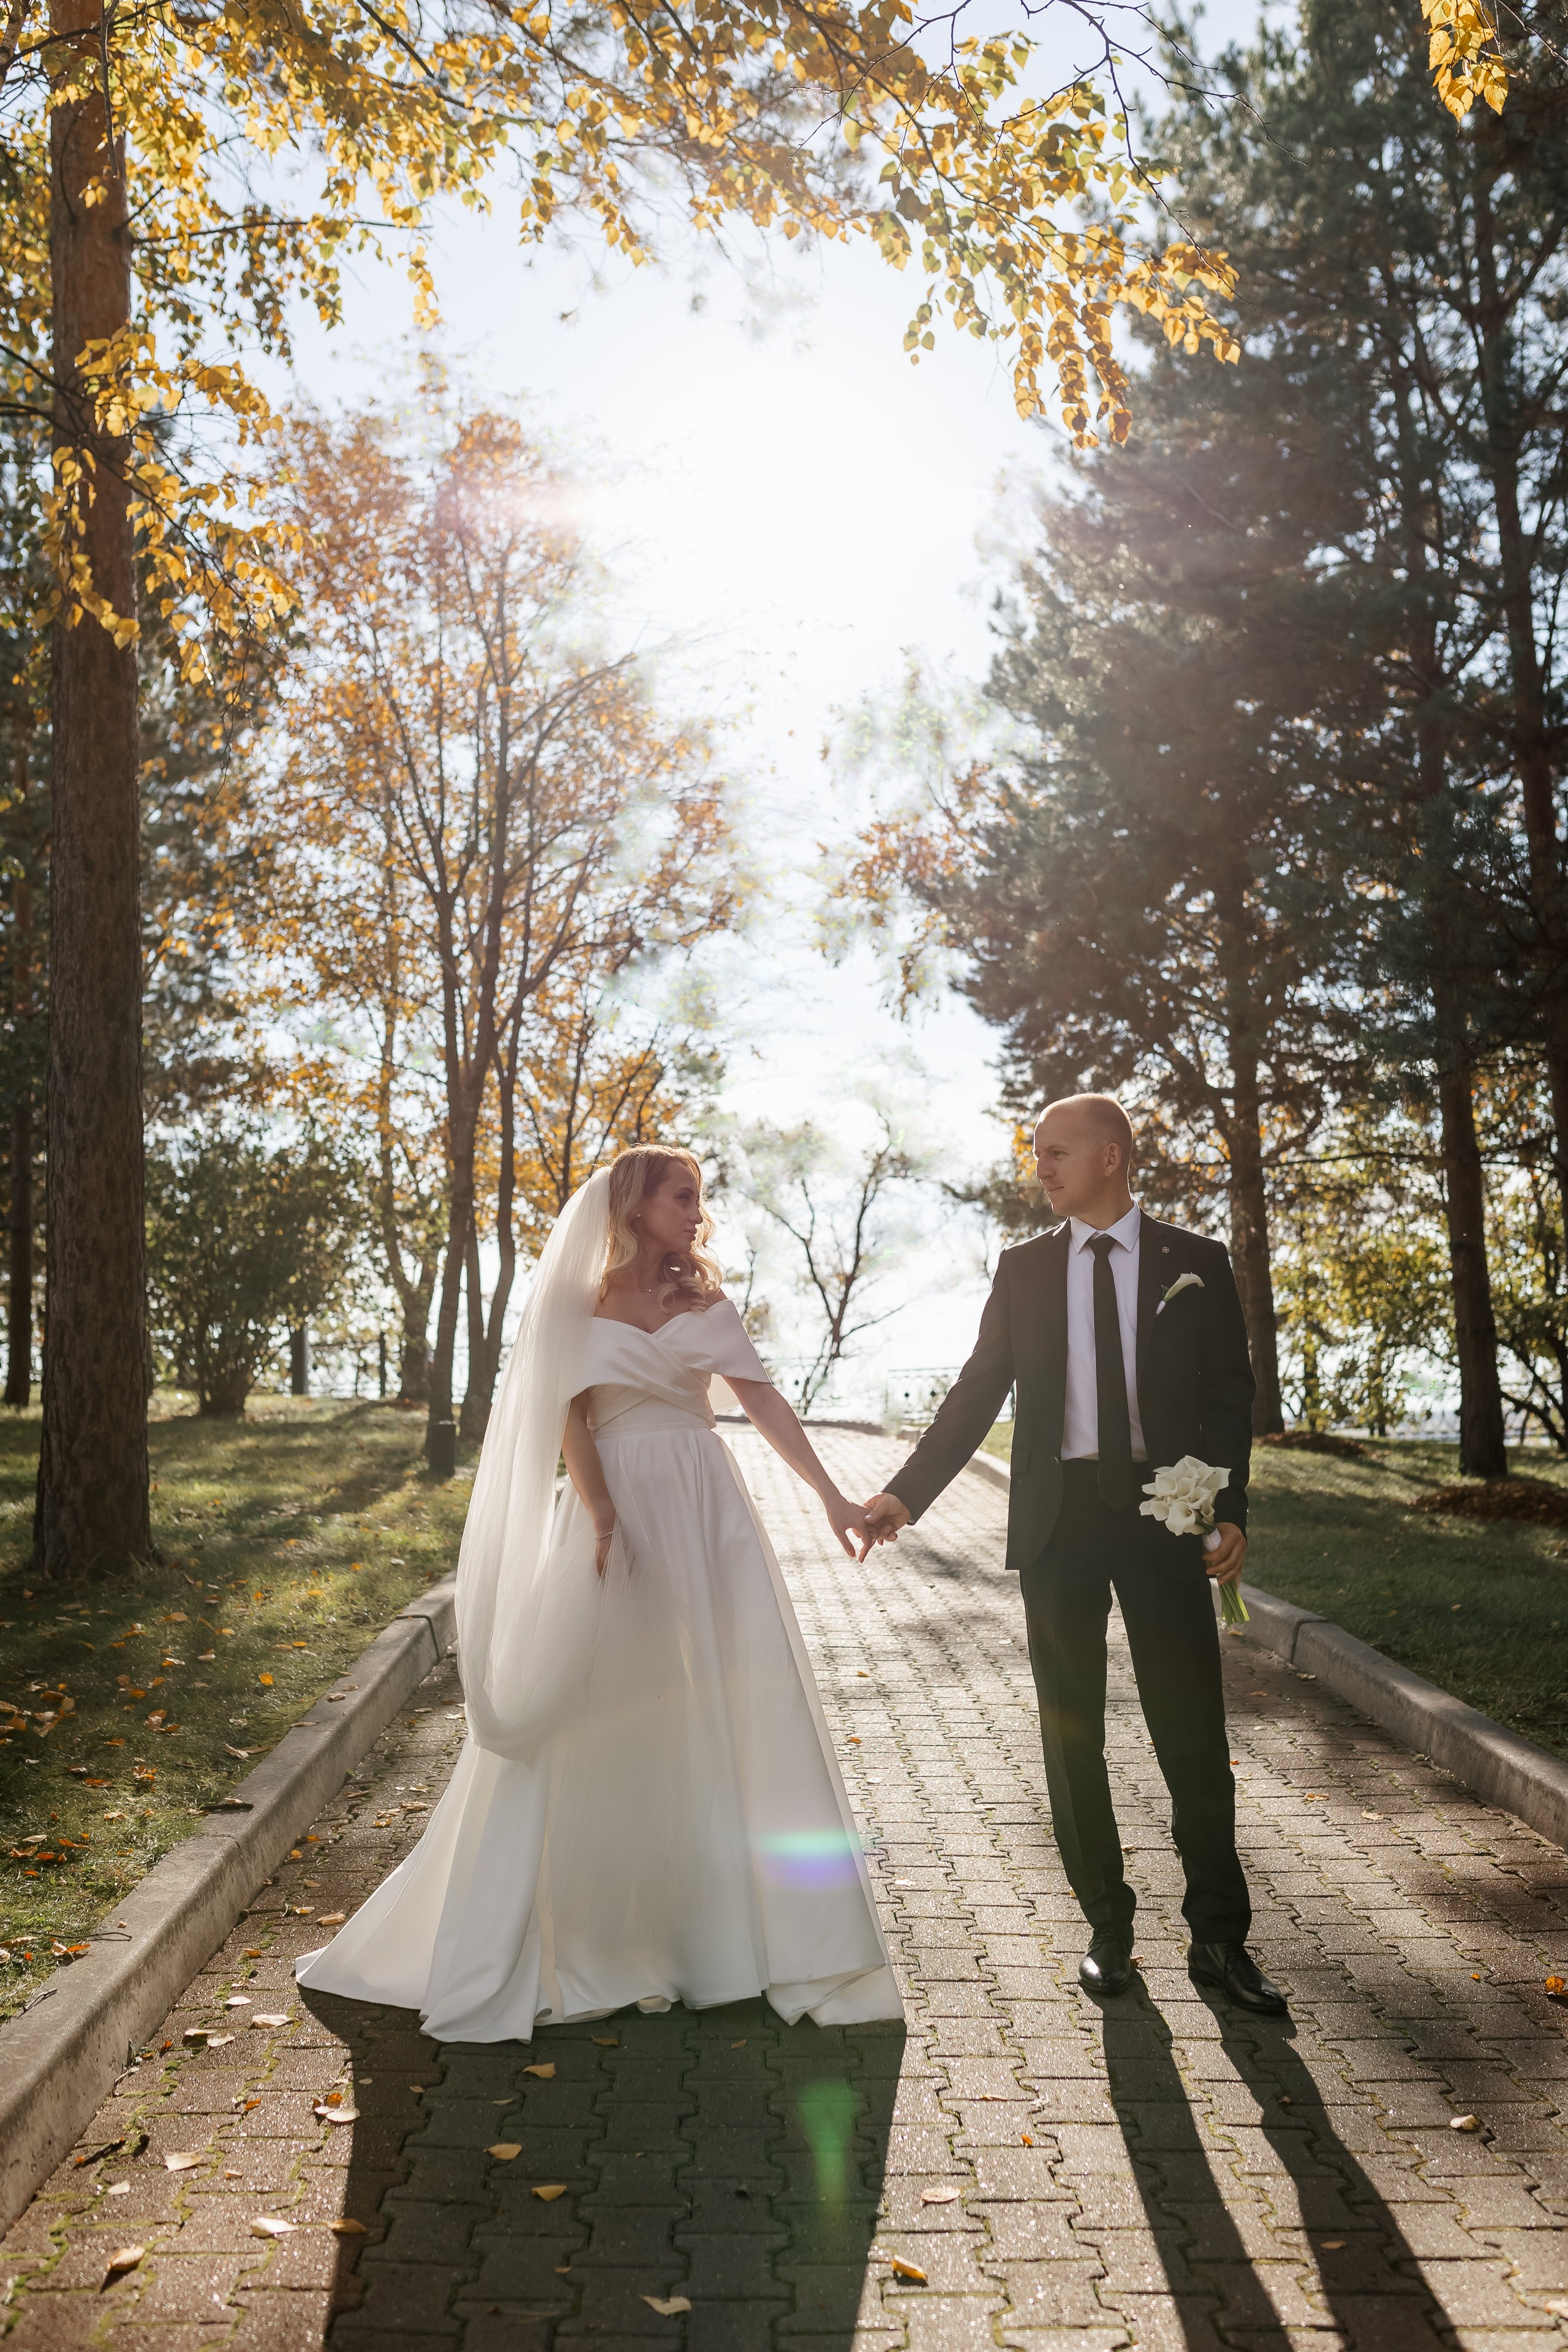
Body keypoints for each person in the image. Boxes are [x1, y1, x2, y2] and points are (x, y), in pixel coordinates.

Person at [298, 1147, 902, 2038]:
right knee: (601, 1699)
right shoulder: (576, 1304)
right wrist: (604, 1515)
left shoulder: (705, 1301)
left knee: (729, 1695)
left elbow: (765, 1404)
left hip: (705, 1500)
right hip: (617, 1502)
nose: (698, 1213)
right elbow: (569, 1418)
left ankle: (744, 1939)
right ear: (635, 1203)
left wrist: (834, 1498)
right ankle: (592, 1929)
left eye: (700, 1197)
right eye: (683, 1196)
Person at [858, 1094, 1286, 2016]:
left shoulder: (1196, 1263)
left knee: (1192, 1735)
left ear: (1112, 1155)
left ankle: (1219, 1939)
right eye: (1036, 1155)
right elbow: (975, 1395)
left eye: (1056, 1153)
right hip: (1058, 1525)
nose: (1041, 1169)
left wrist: (1226, 1506)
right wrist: (904, 1494)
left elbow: (1230, 1396)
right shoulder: (1023, 1271)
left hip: (1164, 1518)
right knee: (1071, 1733)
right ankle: (1108, 1929)